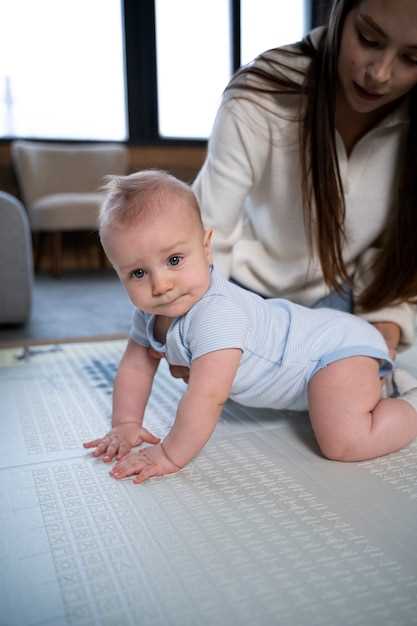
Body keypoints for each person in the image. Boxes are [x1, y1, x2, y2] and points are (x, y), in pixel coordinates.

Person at [83, 170, 417, 485]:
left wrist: (168, 454)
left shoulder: (217, 315)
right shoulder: (149, 315)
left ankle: (409, 406)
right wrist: (126, 424)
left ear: (206, 246)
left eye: (174, 260)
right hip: (322, 354)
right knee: (333, 407)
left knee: (342, 442)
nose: (161, 285)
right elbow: (135, 367)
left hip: (333, 353)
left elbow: (207, 396)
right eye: (138, 274)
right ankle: (383, 386)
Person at [189, 0, 417, 367]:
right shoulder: (262, 93)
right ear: (340, 12)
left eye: (413, 60)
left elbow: (395, 253)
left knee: (348, 396)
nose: (380, 74)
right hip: (244, 292)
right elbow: (209, 234)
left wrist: (383, 328)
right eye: (369, 39)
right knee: (224, 377)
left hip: (340, 297)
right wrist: (201, 327)